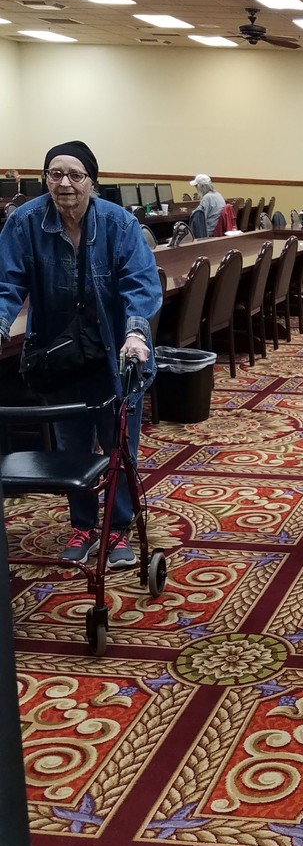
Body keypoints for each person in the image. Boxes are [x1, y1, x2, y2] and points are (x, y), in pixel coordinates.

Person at [0, 140, 162, 566]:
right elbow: (7, 284)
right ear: (45, 179)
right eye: (55, 174)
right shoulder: (24, 222)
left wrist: (136, 332)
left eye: (75, 175)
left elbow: (140, 284)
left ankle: (118, 528)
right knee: (71, 447)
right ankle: (84, 526)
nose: (65, 183)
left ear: (92, 181)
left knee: (119, 446)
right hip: (59, 355)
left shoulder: (118, 224)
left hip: (115, 353)